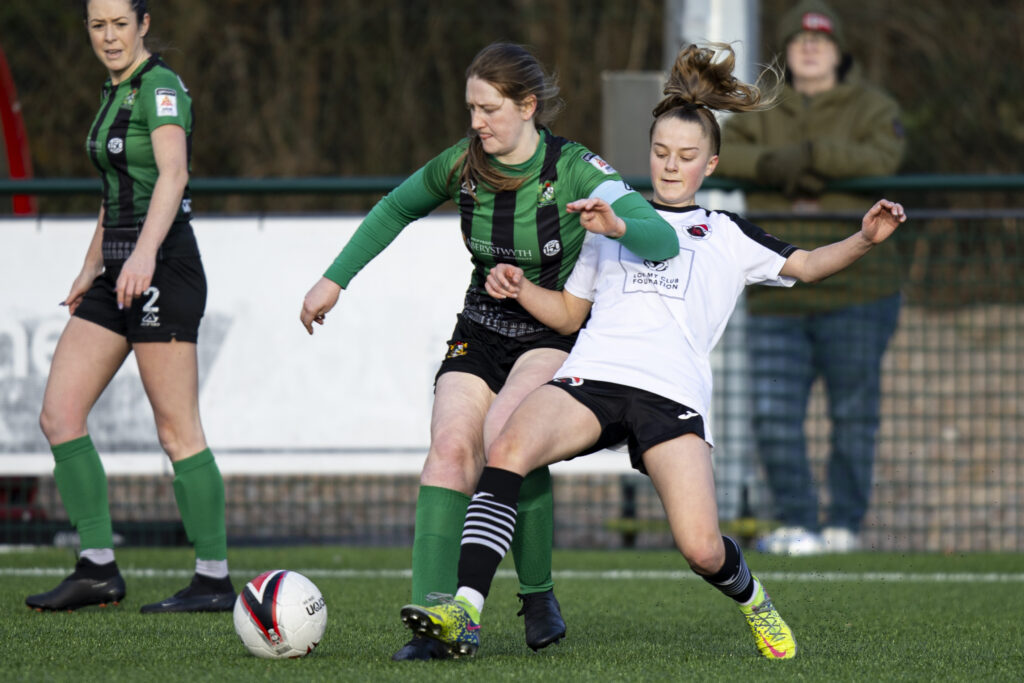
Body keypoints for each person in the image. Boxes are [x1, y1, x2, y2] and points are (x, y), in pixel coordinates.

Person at [396, 42, 906, 661]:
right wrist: (522, 287)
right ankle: (465, 612)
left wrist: (864, 238)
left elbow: (807, 265)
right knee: (506, 447)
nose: (671, 166)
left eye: (687, 156)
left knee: (701, 548)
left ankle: (755, 601)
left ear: (711, 164)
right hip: (593, 380)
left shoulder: (724, 232)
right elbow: (569, 316)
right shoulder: (607, 221)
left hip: (670, 397)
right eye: (661, 153)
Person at [299, 42, 680, 660]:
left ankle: (536, 592)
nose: (476, 122)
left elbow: (661, 238)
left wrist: (617, 225)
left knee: (507, 437)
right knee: (450, 449)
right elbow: (395, 207)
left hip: (554, 334)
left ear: (528, 106)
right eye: (471, 108)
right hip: (480, 327)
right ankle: (429, 622)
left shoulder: (576, 167)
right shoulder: (463, 164)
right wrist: (333, 279)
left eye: (489, 109)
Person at [26, 0, 234, 614]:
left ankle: (214, 578)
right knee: (59, 416)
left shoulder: (160, 87)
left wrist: (142, 256)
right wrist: (93, 264)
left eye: (120, 23)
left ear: (143, 23)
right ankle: (96, 568)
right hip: (117, 267)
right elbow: (115, 191)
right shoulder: (111, 91)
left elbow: (172, 175)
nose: (109, 36)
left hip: (162, 266)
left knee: (176, 430)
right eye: (97, 25)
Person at [715, 0, 906, 555]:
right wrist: (781, 167)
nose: (811, 47)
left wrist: (805, 156)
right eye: (800, 40)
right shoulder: (760, 106)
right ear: (787, 51)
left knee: (853, 415)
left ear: (839, 51)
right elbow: (723, 152)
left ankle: (845, 525)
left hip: (861, 291)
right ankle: (798, 521)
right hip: (778, 291)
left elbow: (882, 159)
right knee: (773, 414)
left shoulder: (872, 105)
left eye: (821, 40)